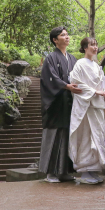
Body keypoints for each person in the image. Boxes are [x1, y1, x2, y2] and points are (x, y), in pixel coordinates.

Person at [38, 26, 82, 183]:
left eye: (67, 34)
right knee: (54, 136)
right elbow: (50, 78)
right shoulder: (51, 58)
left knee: (67, 136)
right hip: (55, 104)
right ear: (55, 40)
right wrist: (66, 86)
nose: (67, 37)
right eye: (63, 35)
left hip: (69, 103)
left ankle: (63, 172)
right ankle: (50, 173)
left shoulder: (73, 59)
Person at [68, 37, 105, 185]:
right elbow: (76, 83)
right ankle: (85, 172)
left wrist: (104, 91)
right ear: (85, 48)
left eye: (96, 44)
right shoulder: (80, 64)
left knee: (98, 137)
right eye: (92, 45)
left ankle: (93, 170)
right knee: (87, 137)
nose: (95, 47)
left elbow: (102, 84)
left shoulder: (96, 66)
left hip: (97, 106)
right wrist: (96, 92)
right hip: (87, 107)